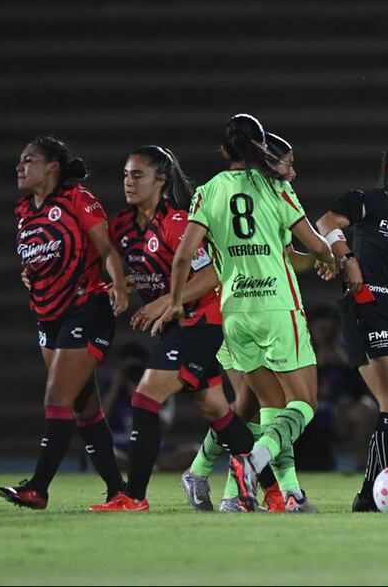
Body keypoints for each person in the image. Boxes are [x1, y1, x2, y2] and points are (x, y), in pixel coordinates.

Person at [152, 114, 336, 513]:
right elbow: (314, 244)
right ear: (264, 150)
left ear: (223, 151)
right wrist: (330, 257)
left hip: (235, 311)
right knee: (302, 404)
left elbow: (184, 256)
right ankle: (250, 467)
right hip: (276, 307)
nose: (291, 170)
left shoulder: (209, 191)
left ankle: (282, 493)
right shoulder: (275, 189)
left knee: (265, 406)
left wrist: (175, 302)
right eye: (287, 162)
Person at [88, 146, 259, 511]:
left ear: (161, 180)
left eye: (138, 175)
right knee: (218, 412)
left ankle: (134, 496)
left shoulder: (178, 222)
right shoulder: (123, 226)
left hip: (202, 320)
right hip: (177, 327)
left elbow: (212, 274)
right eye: (125, 175)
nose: (128, 182)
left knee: (145, 398)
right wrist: (121, 285)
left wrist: (164, 301)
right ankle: (276, 493)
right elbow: (131, 267)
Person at [178, 132, 304, 513]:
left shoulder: (263, 200)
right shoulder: (250, 195)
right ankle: (270, 492)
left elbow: (288, 257)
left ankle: (211, 477)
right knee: (269, 404)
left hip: (253, 309)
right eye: (287, 165)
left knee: (252, 406)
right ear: (268, 161)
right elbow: (214, 267)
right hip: (241, 311)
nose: (292, 173)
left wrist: (321, 258)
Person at [0, 136, 128, 510]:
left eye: (29, 160)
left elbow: (106, 248)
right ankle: (119, 492)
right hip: (48, 315)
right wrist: (31, 273)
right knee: (85, 410)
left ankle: (38, 488)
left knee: (57, 398)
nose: (20, 166)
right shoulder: (24, 210)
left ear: (52, 167)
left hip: (86, 308)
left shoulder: (76, 199)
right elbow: (39, 256)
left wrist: (119, 285)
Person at [315, 140, 388, 511]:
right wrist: (345, 257)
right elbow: (326, 222)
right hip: (368, 303)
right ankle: (369, 495)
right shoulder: (371, 200)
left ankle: (375, 489)